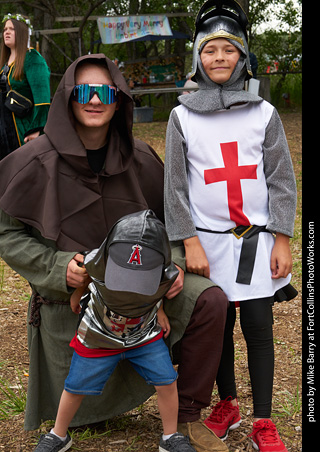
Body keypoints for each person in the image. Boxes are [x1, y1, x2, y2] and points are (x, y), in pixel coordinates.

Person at [0, 53, 228, 452]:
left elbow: (172, 223)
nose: (94, 100)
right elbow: (7, 233)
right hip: (77, 303)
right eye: (83, 91)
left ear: (119, 99)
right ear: (69, 97)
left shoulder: (140, 158)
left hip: (143, 298)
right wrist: (56, 267)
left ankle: (186, 422)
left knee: (209, 298)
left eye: (105, 91)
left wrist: (169, 270)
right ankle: (68, 424)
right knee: (87, 408)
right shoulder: (31, 162)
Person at [164, 2, 297, 452]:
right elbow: (175, 187)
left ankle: (263, 420)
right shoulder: (182, 116)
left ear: (242, 58)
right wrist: (189, 241)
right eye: (209, 50)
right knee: (216, 326)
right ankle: (228, 404)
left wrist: (282, 237)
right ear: (198, 58)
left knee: (258, 327)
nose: (218, 58)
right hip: (207, 246)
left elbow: (281, 179)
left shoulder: (263, 113)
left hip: (257, 243)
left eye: (228, 50)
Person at [33, 209, 196, 452]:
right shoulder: (94, 262)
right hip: (98, 335)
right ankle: (58, 434)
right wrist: (78, 293)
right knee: (74, 385)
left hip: (143, 335)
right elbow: (86, 278)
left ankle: (170, 436)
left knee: (167, 381)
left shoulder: (167, 274)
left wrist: (160, 310)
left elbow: (158, 292)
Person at [0, 13, 51, 160]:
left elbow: (43, 98)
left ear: (22, 32)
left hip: (22, 128)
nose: (6, 32)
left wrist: (36, 128)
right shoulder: (4, 63)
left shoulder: (32, 58)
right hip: (3, 128)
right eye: (4, 29)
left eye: (12, 29)